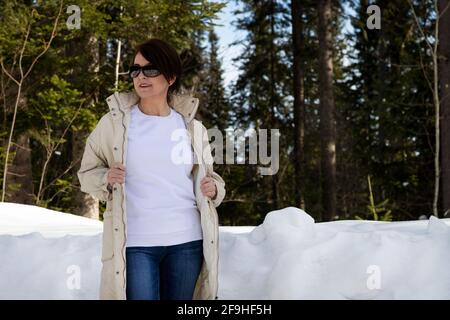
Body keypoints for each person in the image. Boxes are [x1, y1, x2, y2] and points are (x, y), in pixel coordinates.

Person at [77, 38, 226, 300]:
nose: (141, 76)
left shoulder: (191, 127)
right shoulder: (114, 123)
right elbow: (87, 173)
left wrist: (215, 189)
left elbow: (211, 178)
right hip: (136, 244)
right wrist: (106, 179)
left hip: (187, 242)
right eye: (136, 70)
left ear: (170, 77)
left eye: (150, 69)